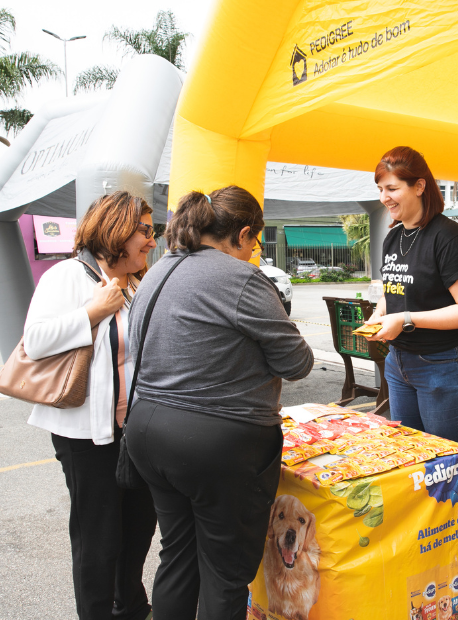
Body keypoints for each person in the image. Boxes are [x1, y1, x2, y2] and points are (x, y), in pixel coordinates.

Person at [126, 185, 314, 620]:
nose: (253, 252)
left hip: (148, 432)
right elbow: (299, 361)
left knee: (177, 554)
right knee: (225, 572)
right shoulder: (241, 278)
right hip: (216, 444)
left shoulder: (158, 269)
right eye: (254, 243)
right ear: (243, 233)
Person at [24, 191, 159, 620]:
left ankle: (131, 606)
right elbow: (35, 342)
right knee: (98, 540)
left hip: (132, 431)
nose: (152, 242)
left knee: (138, 530)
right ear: (116, 228)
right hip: (86, 435)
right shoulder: (67, 276)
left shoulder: (134, 284)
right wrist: (91, 312)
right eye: (146, 231)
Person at [366, 146, 458, 446]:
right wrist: (380, 314)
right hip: (398, 362)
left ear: (420, 186)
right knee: (410, 458)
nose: (384, 198)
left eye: (392, 188)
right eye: (381, 189)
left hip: (443, 365)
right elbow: (394, 290)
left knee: (447, 466)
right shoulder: (393, 236)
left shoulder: (449, 237)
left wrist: (405, 319)